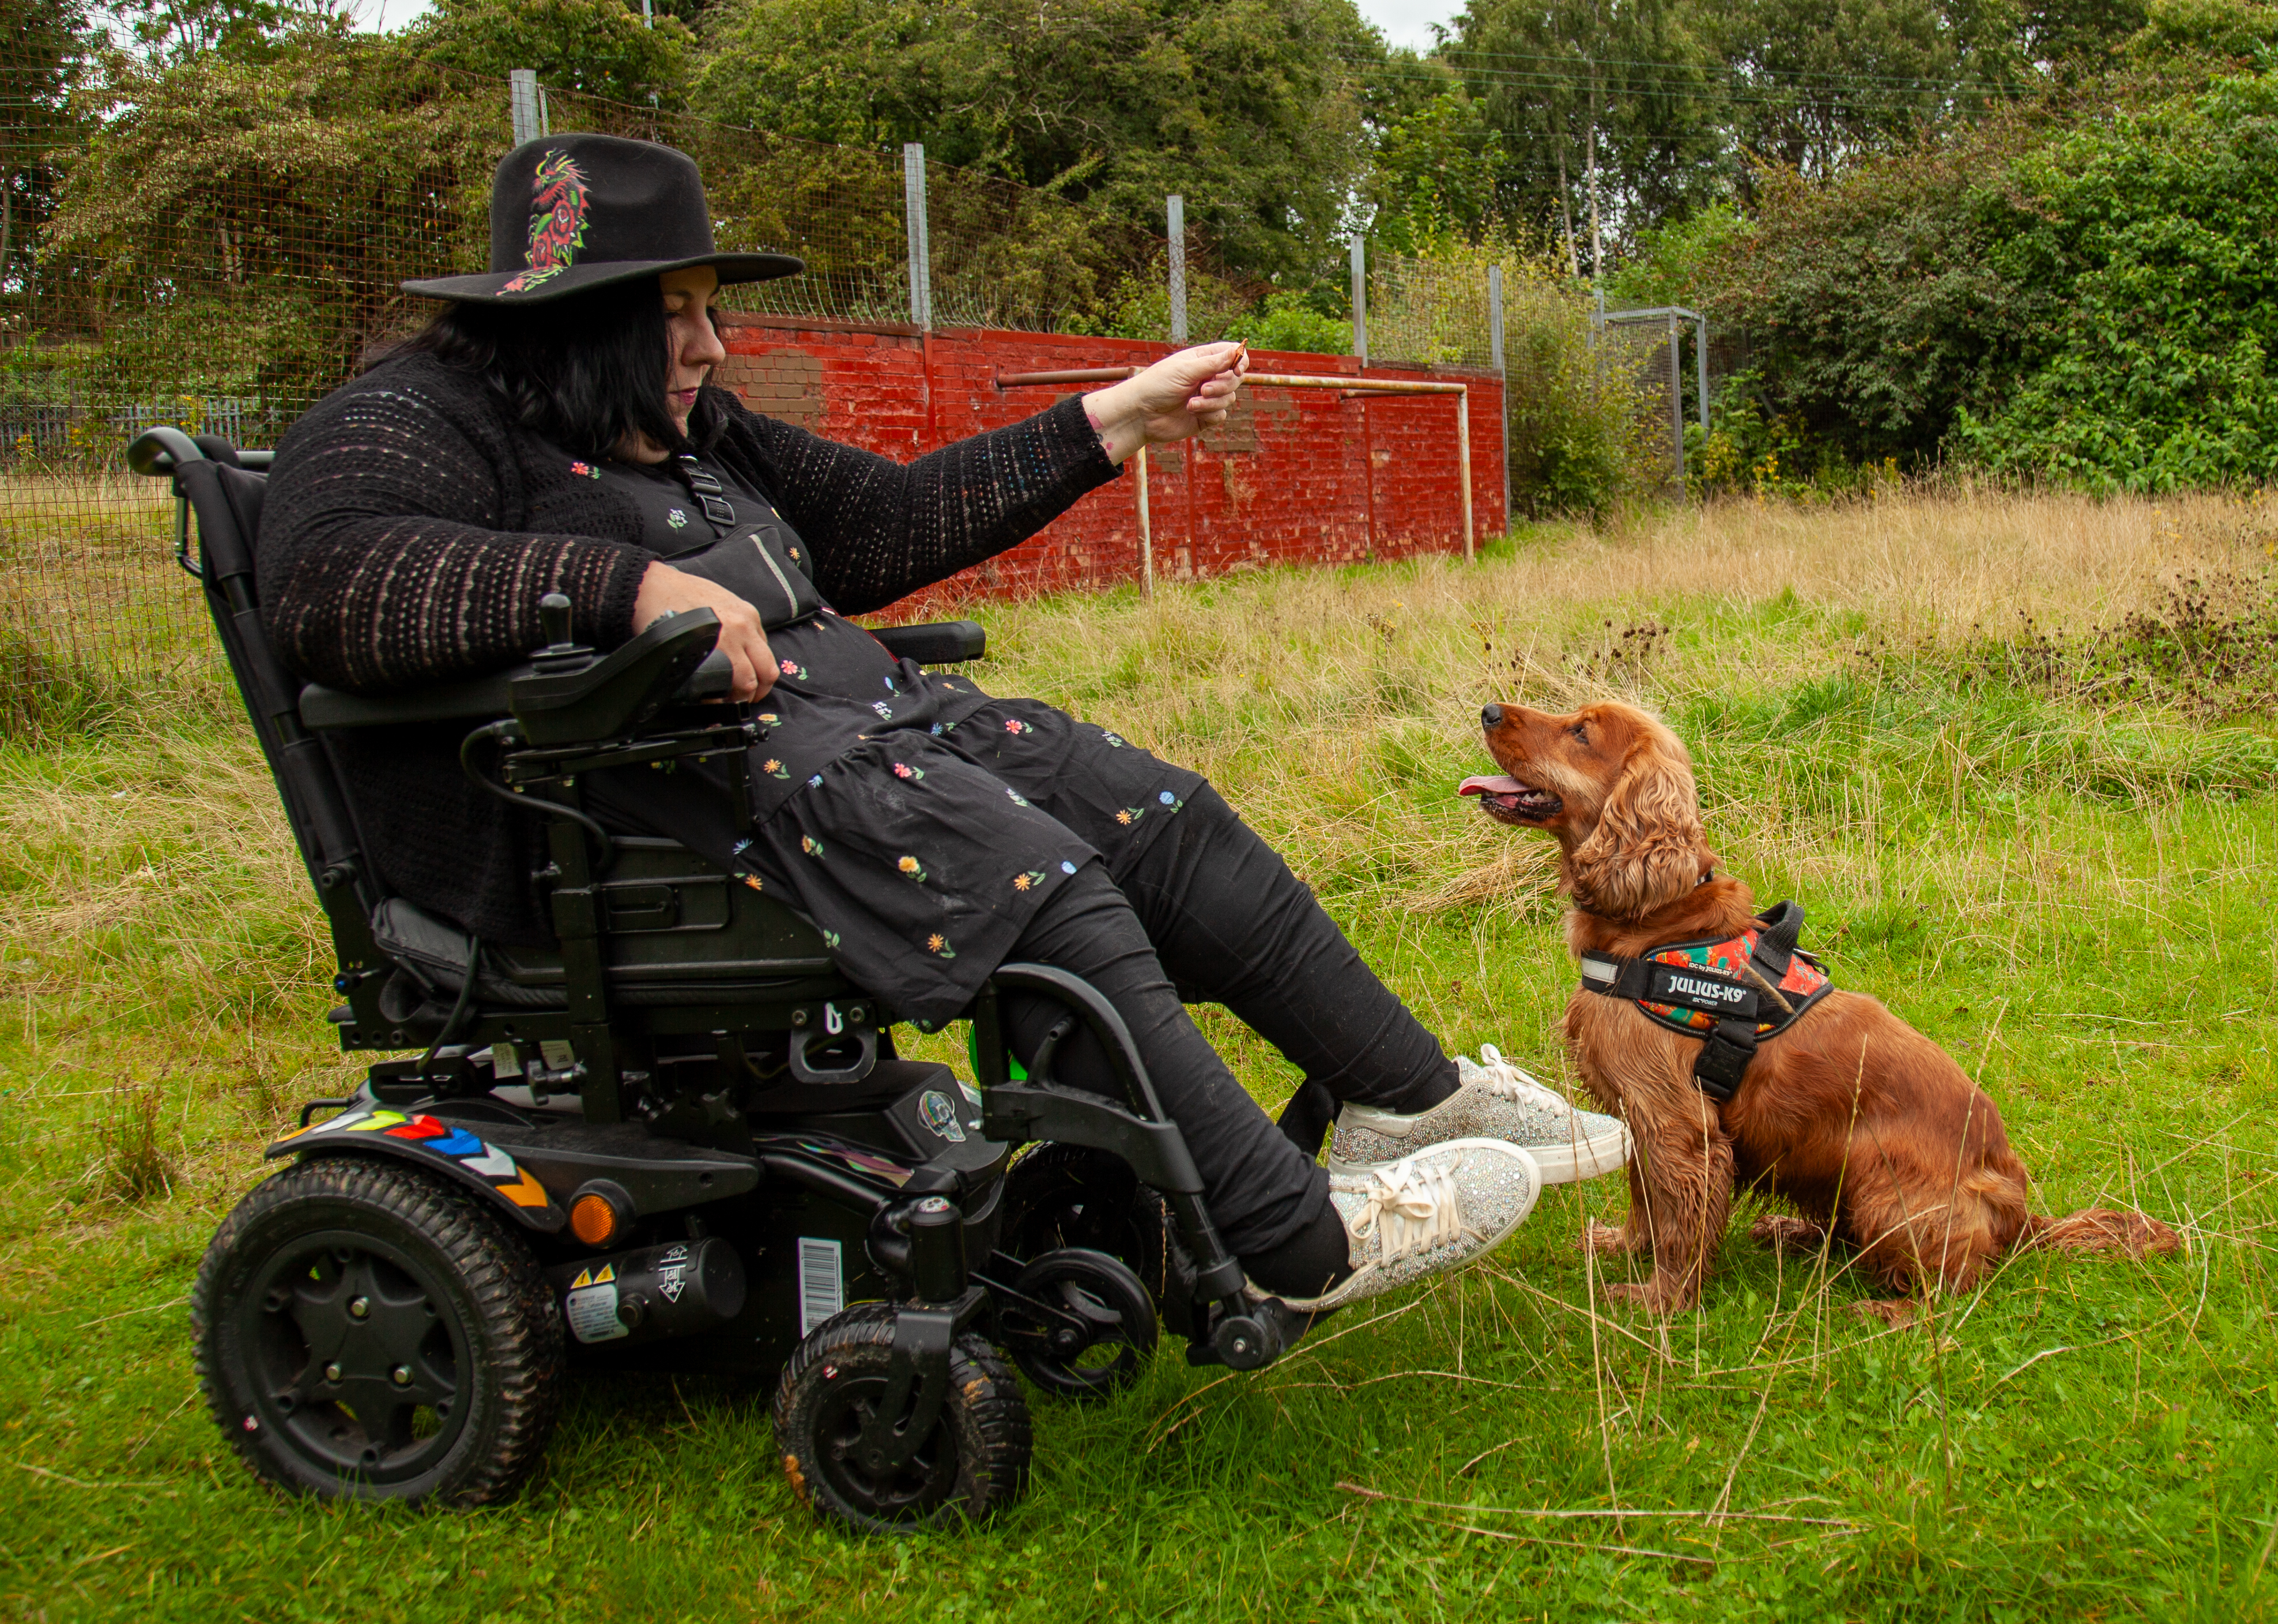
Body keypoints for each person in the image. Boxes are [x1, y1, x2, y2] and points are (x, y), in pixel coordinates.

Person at [261, 134, 1627, 1313]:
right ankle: (1292, 1236)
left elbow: (883, 521)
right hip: (645, 820)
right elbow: (326, 582)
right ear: (575, 318)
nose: (710, 343)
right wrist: (621, 582)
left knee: (1164, 820)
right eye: (674, 313)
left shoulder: (684, 431)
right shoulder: (405, 422)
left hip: (853, 749)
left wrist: (1118, 417)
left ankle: (1408, 1093)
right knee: (1040, 889)